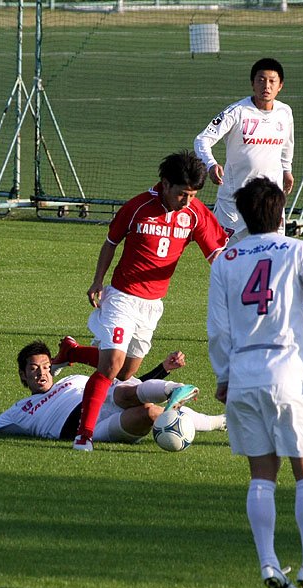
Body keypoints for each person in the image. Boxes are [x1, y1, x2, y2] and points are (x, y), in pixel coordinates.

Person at [207, 177, 303, 588]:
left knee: (261, 475)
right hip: (290, 373)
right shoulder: (298, 250)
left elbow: (217, 327)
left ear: (243, 215)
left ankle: (269, 563)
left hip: (244, 375)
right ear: (281, 213)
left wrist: (224, 375)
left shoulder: (226, 259)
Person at [72, 150, 227, 452]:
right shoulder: (138, 207)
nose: (187, 201)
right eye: (182, 194)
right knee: (111, 366)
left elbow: (216, 255)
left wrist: (234, 282)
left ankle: (73, 352)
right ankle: (84, 435)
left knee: (126, 373)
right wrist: (97, 281)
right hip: (122, 298)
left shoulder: (195, 213)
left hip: (152, 304)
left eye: (192, 195)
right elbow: (111, 243)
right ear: (165, 184)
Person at [0, 340, 225, 444]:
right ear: (23, 376)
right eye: (33, 369)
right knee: (149, 413)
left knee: (119, 391)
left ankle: (180, 394)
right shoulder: (19, 410)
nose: (41, 373)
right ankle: (212, 421)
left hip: (104, 402)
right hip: (84, 428)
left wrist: (162, 370)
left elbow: (131, 385)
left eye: (45, 366)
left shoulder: (75, 379)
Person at [194, 57, 295, 244]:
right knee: (225, 253)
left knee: (272, 251)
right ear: (252, 84)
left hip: (270, 201)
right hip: (233, 201)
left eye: (272, 81)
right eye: (261, 80)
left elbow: (287, 144)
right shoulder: (237, 111)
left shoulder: (285, 112)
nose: (266, 86)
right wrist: (211, 164)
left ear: (280, 85)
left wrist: (287, 170)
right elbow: (202, 139)